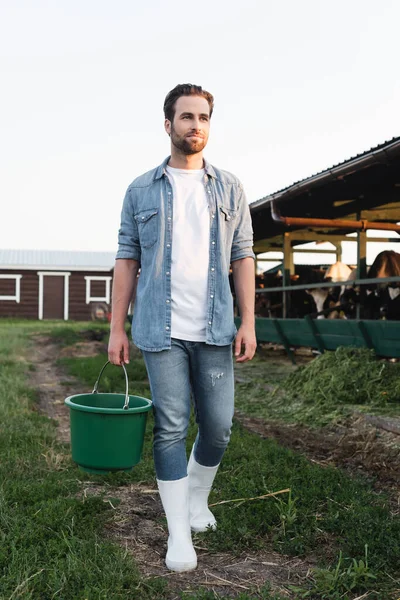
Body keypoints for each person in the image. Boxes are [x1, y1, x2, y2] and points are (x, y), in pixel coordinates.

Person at [108, 83, 256, 572]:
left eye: (204, 117)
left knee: (217, 428)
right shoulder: (140, 190)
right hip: (160, 330)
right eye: (187, 116)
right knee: (170, 428)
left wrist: (247, 321)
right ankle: (178, 536)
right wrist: (117, 328)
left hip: (215, 328)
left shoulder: (230, 187)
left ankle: (196, 500)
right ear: (167, 123)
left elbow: (243, 257)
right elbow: (127, 260)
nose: (196, 125)